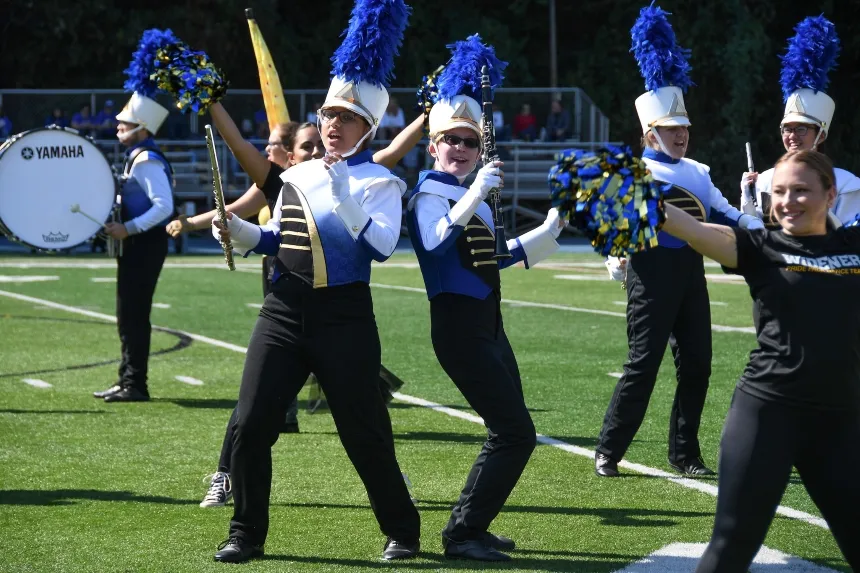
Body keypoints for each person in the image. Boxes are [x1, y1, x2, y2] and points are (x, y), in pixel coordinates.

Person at [209, 0, 420, 562]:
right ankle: (246, 532)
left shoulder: (381, 184)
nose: (332, 125)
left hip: (344, 317)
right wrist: (237, 230)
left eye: (346, 118)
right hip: (283, 310)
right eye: (328, 115)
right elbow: (277, 240)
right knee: (251, 424)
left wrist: (347, 196)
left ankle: (402, 530)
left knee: (364, 432)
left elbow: (380, 248)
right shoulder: (296, 174)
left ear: (367, 128)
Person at [655, 150, 860, 572]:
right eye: (778, 192)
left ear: (830, 194)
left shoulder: (854, 245)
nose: (787, 201)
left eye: (801, 190)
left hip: (841, 419)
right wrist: (627, 192)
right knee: (732, 546)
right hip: (769, 413)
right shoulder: (762, 246)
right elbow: (692, 228)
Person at [406, 35, 563, 562]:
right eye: (450, 140)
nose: (460, 149)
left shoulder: (471, 196)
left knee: (510, 430)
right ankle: (462, 533)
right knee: (516, 433)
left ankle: (471, 526)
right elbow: (434, 244)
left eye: (469, 142)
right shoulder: (428, 195)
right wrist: (475, 192)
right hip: (458, 328)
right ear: (433, 146)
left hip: (490, 326)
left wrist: (550, 229)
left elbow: (491, 259)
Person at [596, 4, 763, 478]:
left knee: (698, 365)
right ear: (651, 133)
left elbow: (724, 212)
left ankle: (685, 454)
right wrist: (614, 255)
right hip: (649, 276)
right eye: (672, 129)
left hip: (691, 274)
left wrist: (752, 220)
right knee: (642, 364)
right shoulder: (634, 172)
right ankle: (608, 449)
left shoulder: (698, 172)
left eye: (684, 128)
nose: (681, 135)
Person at [740, 16, 860, 227]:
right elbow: (755, 237)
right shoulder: (765, 181)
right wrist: (747, 200)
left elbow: (850, 238)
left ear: (820, 135)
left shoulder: (847, 185)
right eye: (787, 129)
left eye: (801, 129)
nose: (792, 136)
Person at [92, 92, 173, 403]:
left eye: (124, 123)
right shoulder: (138, 156)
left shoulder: (146, 160)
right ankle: (127, 379)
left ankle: (135, 384)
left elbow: (164, 206)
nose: (118, 127)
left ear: (142, 127)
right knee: (127, 315)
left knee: (134, 315)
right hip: (138, 245)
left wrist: (128, 228)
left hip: (144, 245)